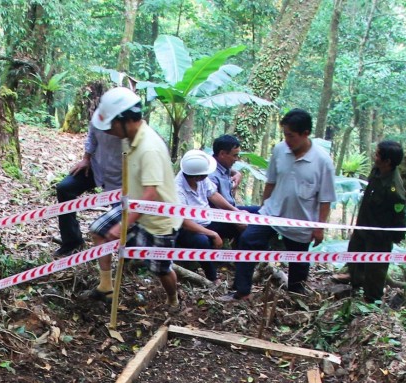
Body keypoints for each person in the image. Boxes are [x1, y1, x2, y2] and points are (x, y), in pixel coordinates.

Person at [85, 86, 182, 310]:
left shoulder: (150, 148)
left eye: (111, 125)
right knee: (99, 230)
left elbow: (151, 194)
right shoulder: (129, 138)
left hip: (158, 219)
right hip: (133, 205)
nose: (109, 131)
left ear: (126, 120)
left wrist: (122, 226)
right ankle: (106, 287)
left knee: (160, 269)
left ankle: (173, 299)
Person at [225, 109, 336, 301]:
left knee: (299, 262)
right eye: (284, 134)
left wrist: (319, 227)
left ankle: (295, 296)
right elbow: (271, 182)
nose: (287, 140)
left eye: (291, 135)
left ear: (305, 133)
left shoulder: (323, 161)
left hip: (301, 221)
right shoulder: (279, 150)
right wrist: (262, 208)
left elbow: (325, 198)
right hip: (272, 212)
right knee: (248, 241)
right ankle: (242, 291)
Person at [53, 83, 123, 258]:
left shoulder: (130, 126)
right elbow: (92, 137)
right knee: (65, 188)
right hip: (96, 167)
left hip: (121, 178)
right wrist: (86, 158)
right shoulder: (98, 117)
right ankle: (72, 242)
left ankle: (129, 255)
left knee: (124, 216)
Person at [343, 139, 406, 302]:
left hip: (379, 236)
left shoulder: (394, 188)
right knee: (354, 260)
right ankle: (354, 291)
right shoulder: (377, 171)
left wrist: (398, 234)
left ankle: (372, 303)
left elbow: (400, 213)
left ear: (387, 161)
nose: (374, 156)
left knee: (375, 271)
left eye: (378, 154)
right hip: (363, 228)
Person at [175, 149, 239, 282]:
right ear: (196, 176)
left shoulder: (201, 179)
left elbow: (214, 195)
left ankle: (240, 266)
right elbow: (184, 222)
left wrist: (235, 212)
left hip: (208, 219)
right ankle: (212, 278)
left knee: (238, 225)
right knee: (202, 242)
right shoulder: (178, 190)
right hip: (189, 229)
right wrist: (212, 234)